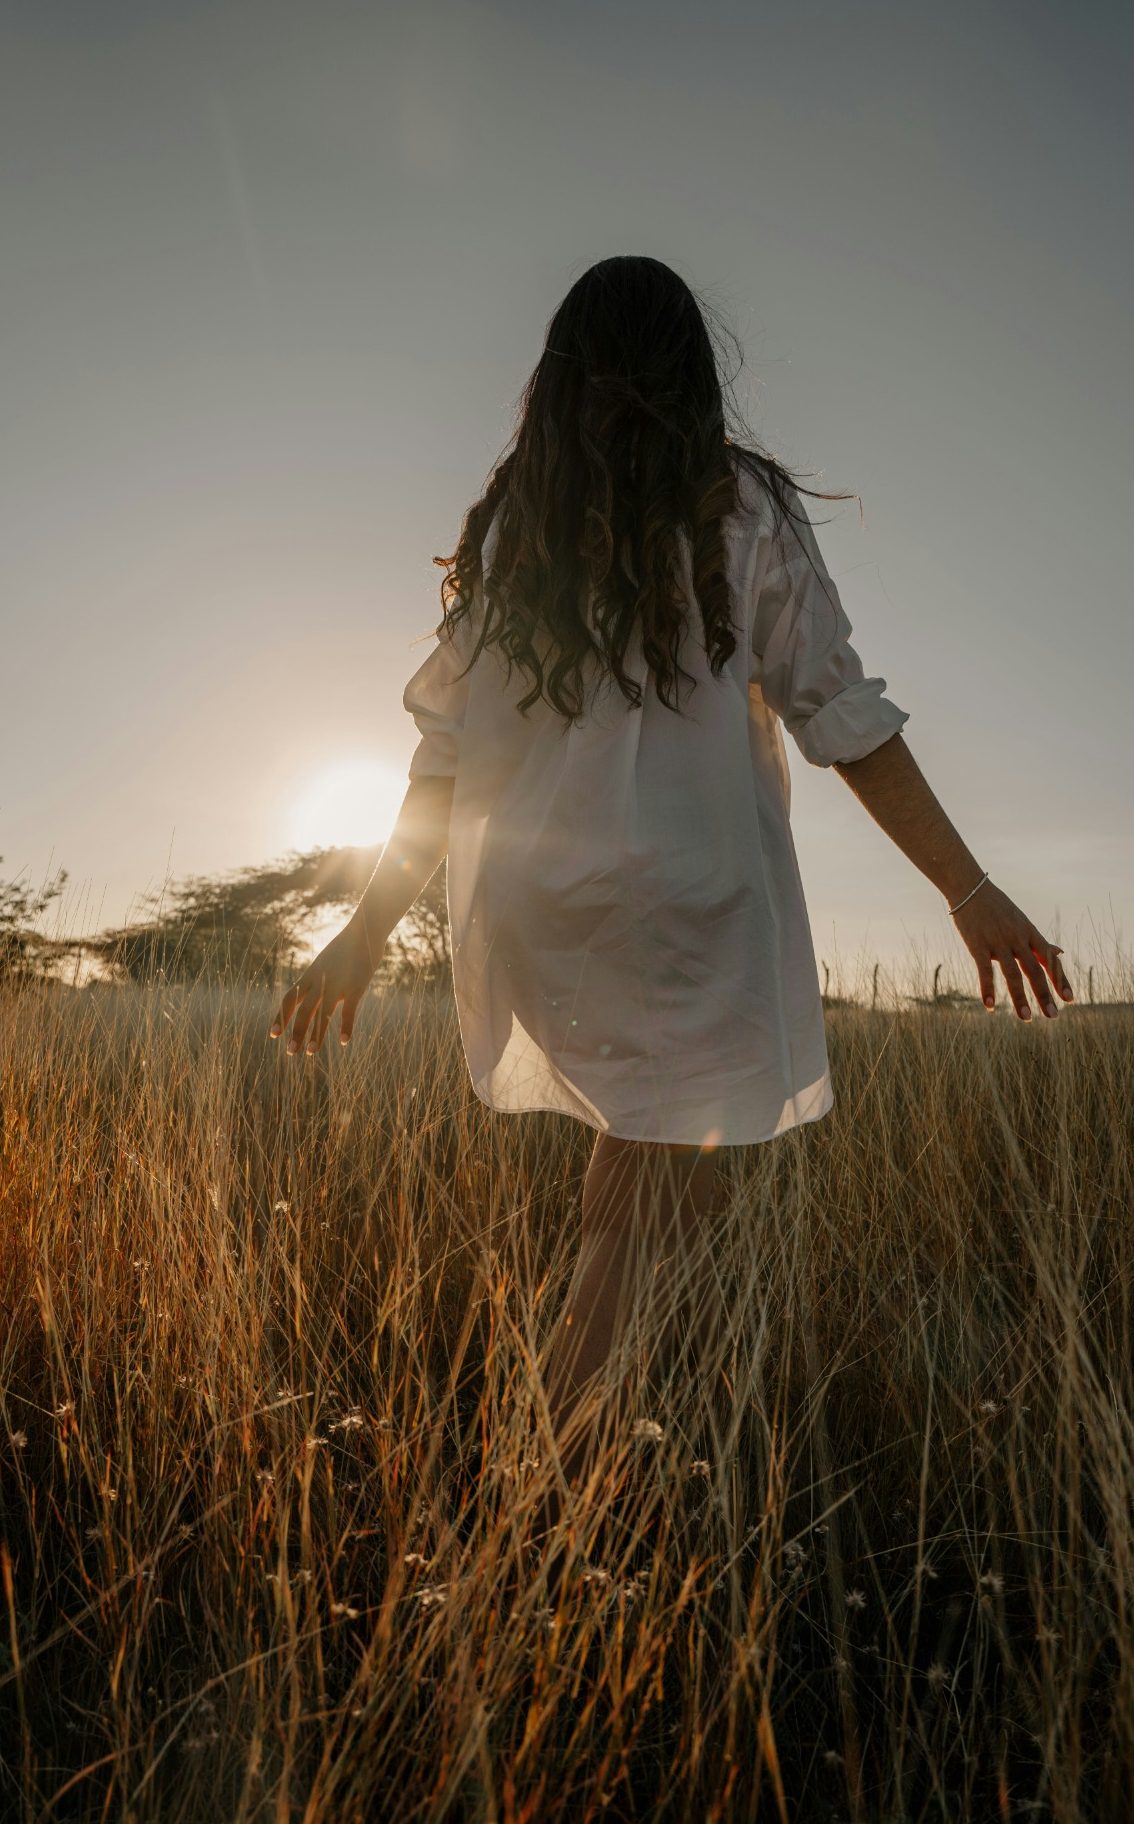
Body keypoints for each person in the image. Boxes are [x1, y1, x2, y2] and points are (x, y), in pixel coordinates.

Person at [267, 255, 1074, 1569]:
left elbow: (443, 759)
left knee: (629, 1191)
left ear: (557, 373)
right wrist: (968, 890)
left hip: (543, 911)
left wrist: (364, 931)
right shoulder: (732, 503)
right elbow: (840, 714)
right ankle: (541, 1517)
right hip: (688, 906)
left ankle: (568, 1479)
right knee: (665, 1209)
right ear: (691, 371)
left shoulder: (511, 528)